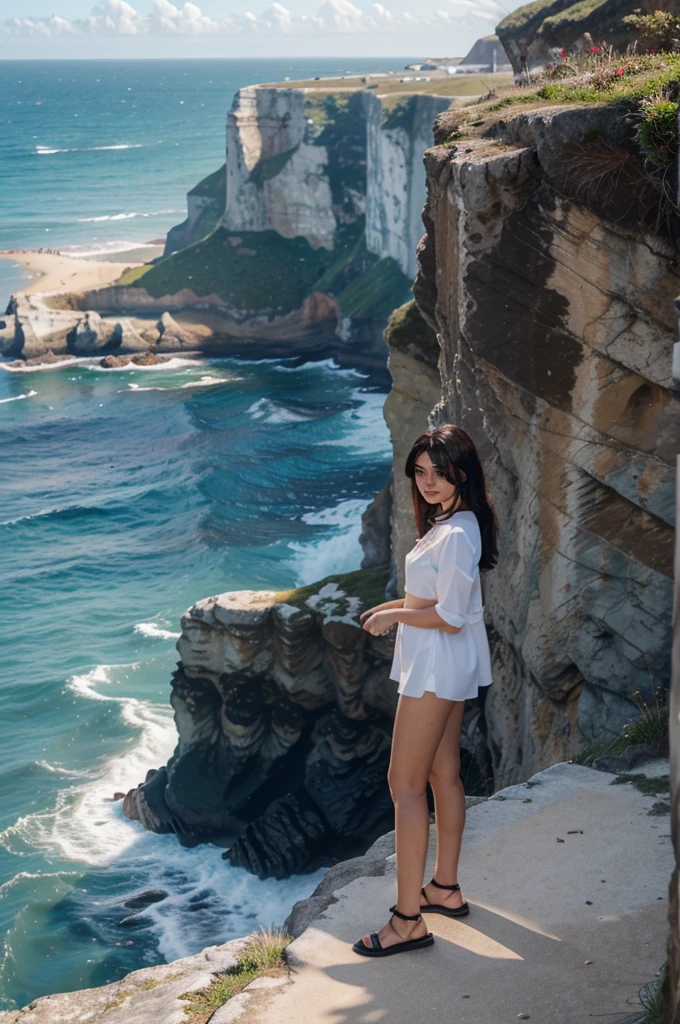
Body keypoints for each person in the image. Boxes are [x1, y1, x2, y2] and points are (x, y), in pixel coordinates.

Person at [353, 424, 498, 957]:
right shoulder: (453, 521)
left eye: (439, 472)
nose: (428, 482)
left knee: (404, 784)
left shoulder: (457, 533)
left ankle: (407, 919)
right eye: (420, 472)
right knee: (441, 774)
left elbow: (452, 616)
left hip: (437, 666)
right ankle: (445, 888)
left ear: (462, 470)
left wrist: (393, 612)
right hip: (443, 664)